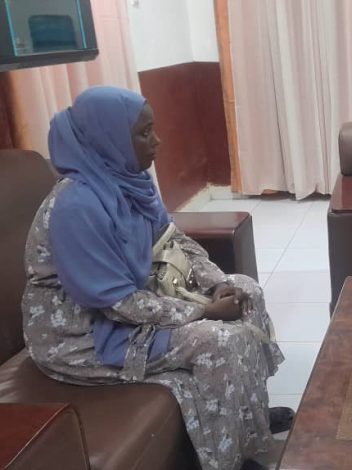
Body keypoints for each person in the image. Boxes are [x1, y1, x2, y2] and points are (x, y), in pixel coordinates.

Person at [22, 86, 289, 470]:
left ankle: (251, 415)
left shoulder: (131, 180)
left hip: (138, 296)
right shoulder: (76, 207)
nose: (157, 140)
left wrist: (217, 283)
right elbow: (115, 302)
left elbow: (172, 240)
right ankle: (229, 461)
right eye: (144, 133)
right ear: (110, 139)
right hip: (83, 334)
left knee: (247, 290)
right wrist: (203, 312)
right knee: (217, 340)